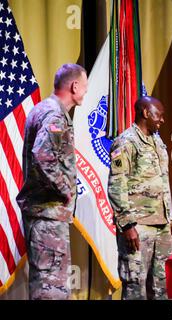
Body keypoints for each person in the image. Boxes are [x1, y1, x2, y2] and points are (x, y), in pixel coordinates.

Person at [16, 64, 88, 300]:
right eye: (84, 87)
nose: (85, 92)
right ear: (74, 85)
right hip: (47, 215)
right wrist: (65, 189)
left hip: (44, 215)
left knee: (46, 283)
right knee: (51, 288)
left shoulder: (42, 109)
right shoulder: (54, 113)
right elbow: (42, 156)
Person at [108, 96, 172, 300]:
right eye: (159, 115)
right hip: (138, 226)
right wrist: (127, 225)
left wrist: (169, 215)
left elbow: (164, 180)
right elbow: (116, 184)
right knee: (135, 286)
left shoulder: (158, 141)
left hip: (161, 225)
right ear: (145, 113)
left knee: (161, 287)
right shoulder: (126, 141)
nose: (162, 120)